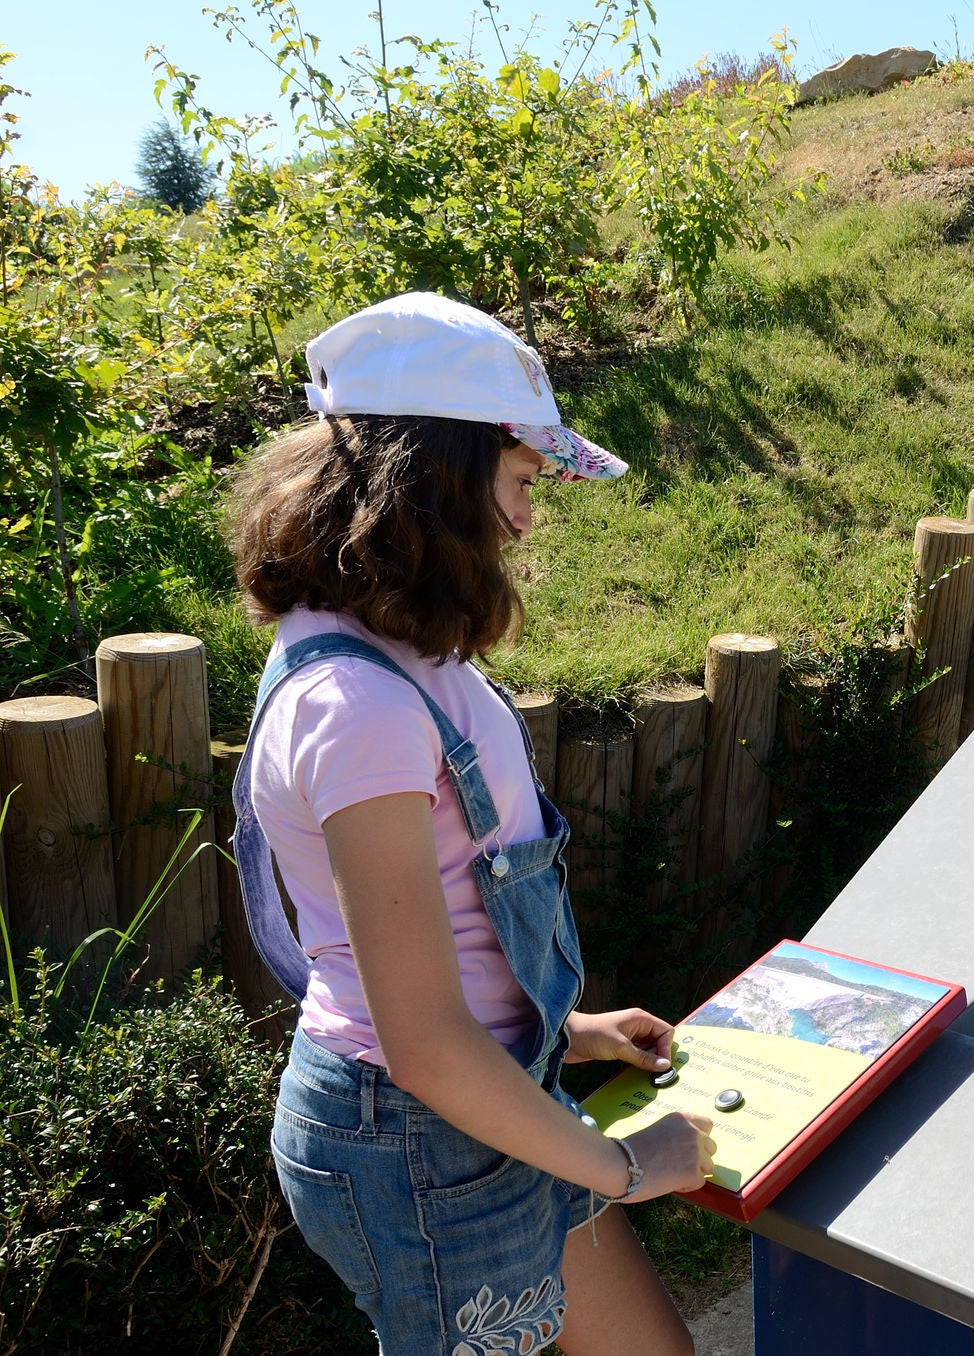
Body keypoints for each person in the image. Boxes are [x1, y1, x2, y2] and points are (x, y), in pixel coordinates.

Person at [228, 292, 715, 1356]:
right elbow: (421, 1040)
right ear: (438, 477)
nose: (529, 518)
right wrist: (632, 1171)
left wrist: (571, 1031)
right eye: (524, 479)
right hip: (416, 1140)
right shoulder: (353, 706)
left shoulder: (400, 651)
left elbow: (447, 917)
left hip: (489, 1096)